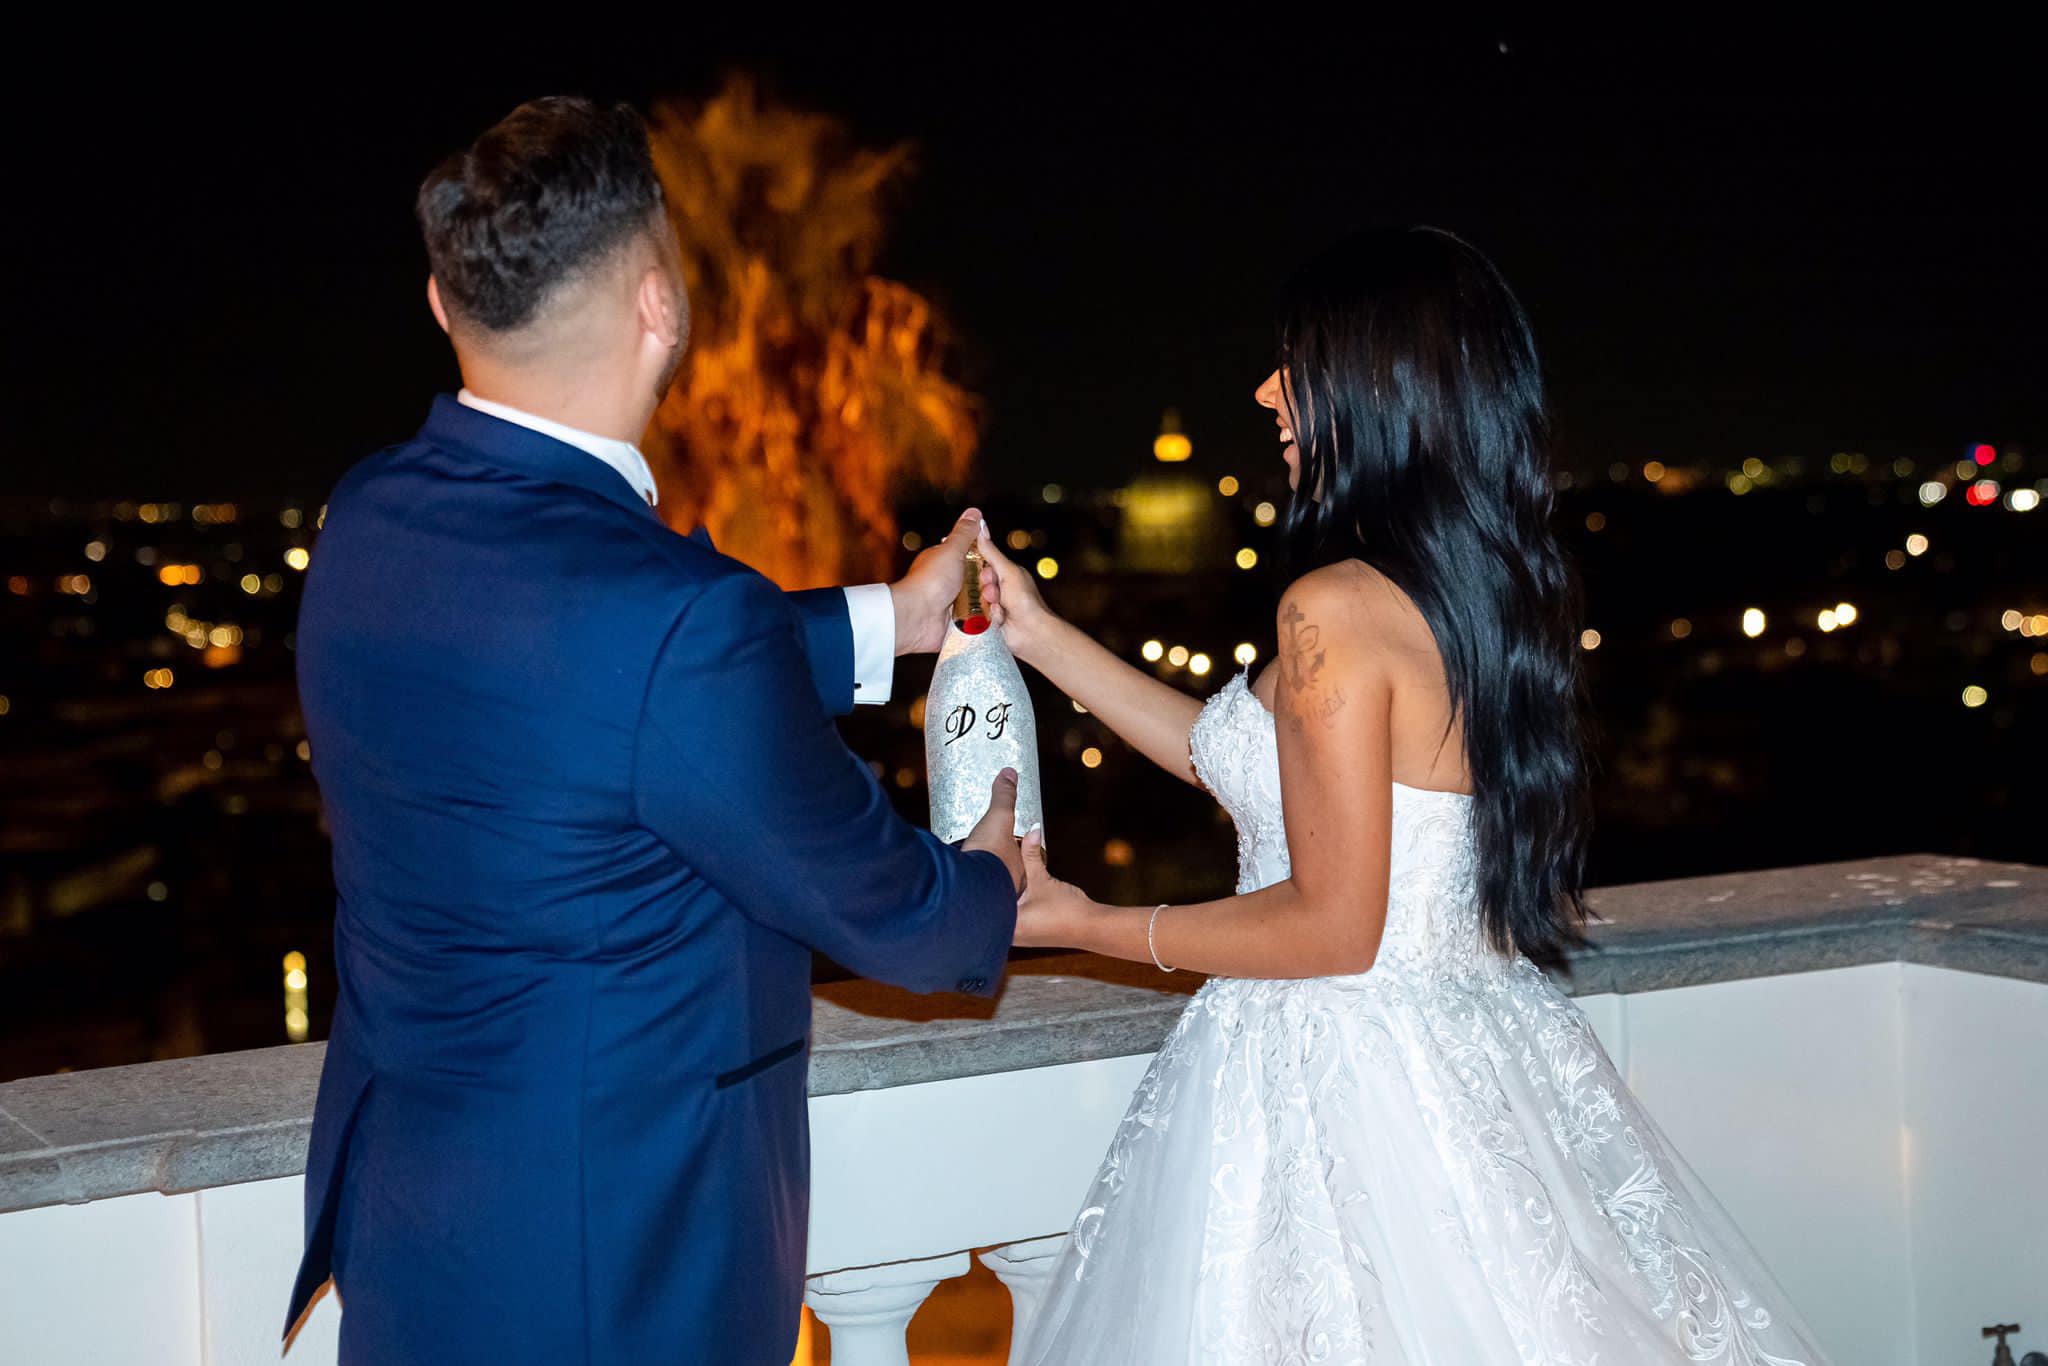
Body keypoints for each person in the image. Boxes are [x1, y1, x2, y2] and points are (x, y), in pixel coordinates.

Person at [976, 227, 1833, 1363]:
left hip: (1346, 1093)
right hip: (1459, 1053)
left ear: (1373, 388)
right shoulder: (1448, 589)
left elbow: (1333, 925)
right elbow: (1233, 761)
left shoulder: (1329, 606)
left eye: (1295, 363)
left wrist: (1089, 924)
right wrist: (1040, 640)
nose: (1265, 391)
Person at [282, 96, 1021, 1365]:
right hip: (612, 1270)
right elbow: (892, 909)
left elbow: (578, 679)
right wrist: (991, 876)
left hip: (413, 1241)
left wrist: (879, 622)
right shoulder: (677, 624)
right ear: (660, 307)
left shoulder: (369, 522)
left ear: (443, 306)